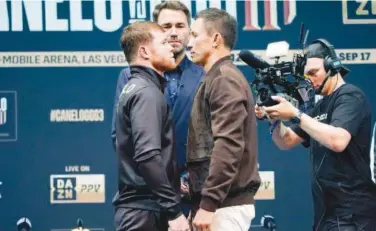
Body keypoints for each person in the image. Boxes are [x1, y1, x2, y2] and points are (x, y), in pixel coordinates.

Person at [255, 39, 376, 230]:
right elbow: (285, 141)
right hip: (325, 213)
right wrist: (274, 118)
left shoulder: (351, 96)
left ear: (332, 67)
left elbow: (338, 140)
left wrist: (295, 113)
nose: (309, 79)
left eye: (314, 73)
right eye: (306, 75)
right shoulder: (318, 106)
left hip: (353, 214)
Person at [110, 1, 205, 215]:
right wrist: (160, 182)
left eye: (180, 26)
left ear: (189, 31)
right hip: (149, 198)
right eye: (165, 27)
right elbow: (120, 138)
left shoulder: (204, 76)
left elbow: (213, 136)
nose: (173, 33)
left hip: (194, 196)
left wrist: (190, 177)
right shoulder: (129, 76)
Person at [186, 8, 261, 231]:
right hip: (219, 204)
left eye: (195, 35)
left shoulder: (224, 80)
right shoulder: (216, 77)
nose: (189, 43)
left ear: (216, 39)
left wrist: (209, 204)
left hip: (224, 207)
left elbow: (228, 144)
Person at [113, 21, 190, 231]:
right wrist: (174, 212)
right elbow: (147, 156)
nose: (171, 46)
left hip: (140, 211)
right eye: (164, 42)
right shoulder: (147, 93)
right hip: (145, 215)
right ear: (144, 51)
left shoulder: (134, 87)